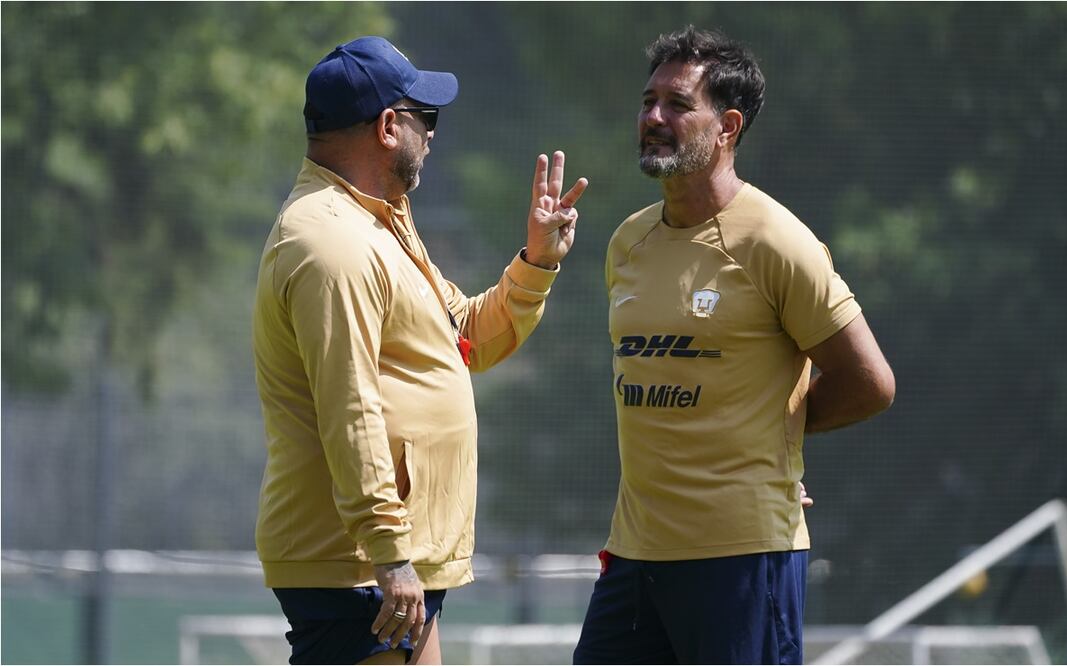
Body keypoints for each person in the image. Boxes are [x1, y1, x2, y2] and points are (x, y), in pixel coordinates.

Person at [252, 36, 588, 665]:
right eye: (424, 118)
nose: (432, 135)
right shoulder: (333, 243)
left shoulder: (377, 223)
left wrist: (537, 262)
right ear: (387, 126)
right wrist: (388, 550)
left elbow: (462, 335)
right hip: (358, 565)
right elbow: (350, 408)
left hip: (383, 561)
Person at [573, 26, 895, 665]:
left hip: (742, 558)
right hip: (635, 555)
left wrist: (777, 440)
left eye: (677, 104)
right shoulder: (626, 243)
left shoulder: (776, 241)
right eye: (648, 101)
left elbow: (870, 382)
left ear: (727, 126)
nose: (653, 117)